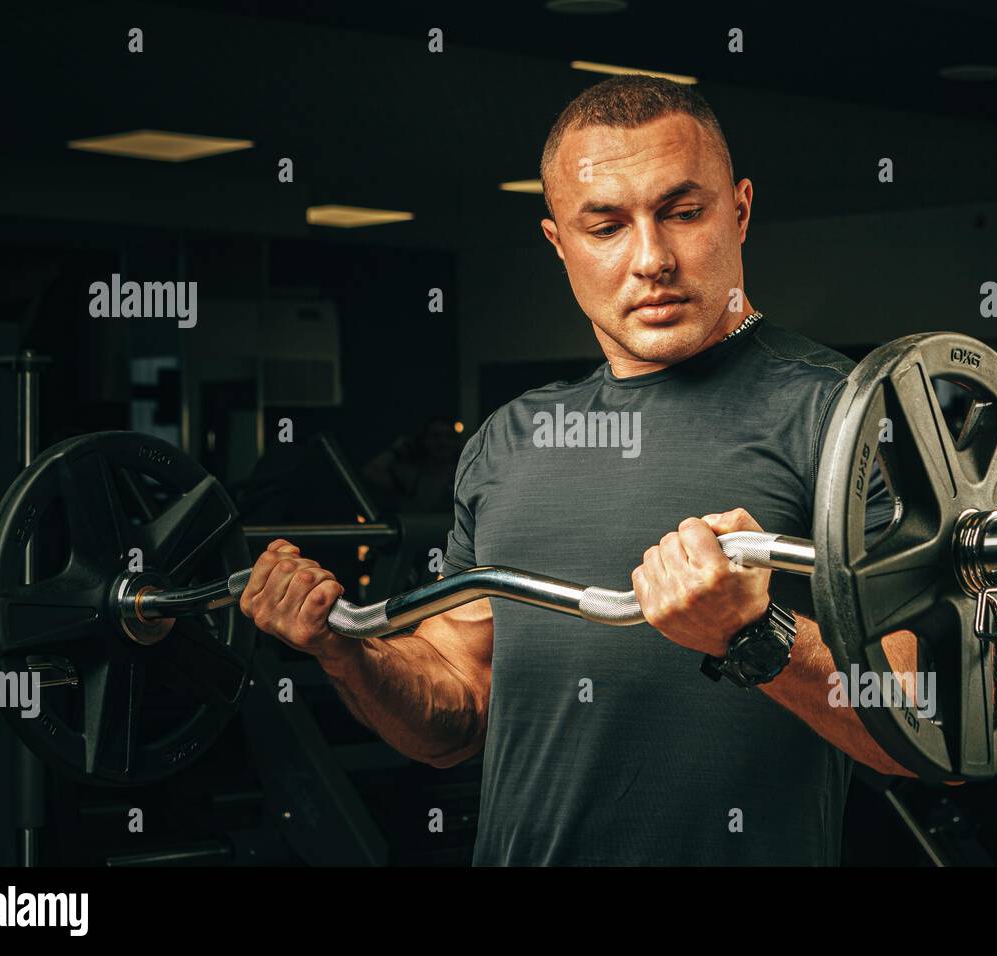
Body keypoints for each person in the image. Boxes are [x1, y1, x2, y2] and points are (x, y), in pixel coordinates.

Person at [239, 75, 915, 865]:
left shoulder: (844, 415)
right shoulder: (511, 440)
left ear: (740, 211)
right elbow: (454, 714)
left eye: (683, 213)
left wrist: (752, 635)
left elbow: (924, 730)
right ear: (560, 243)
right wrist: (344, 647)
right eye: (606, 227)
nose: (651, 259)